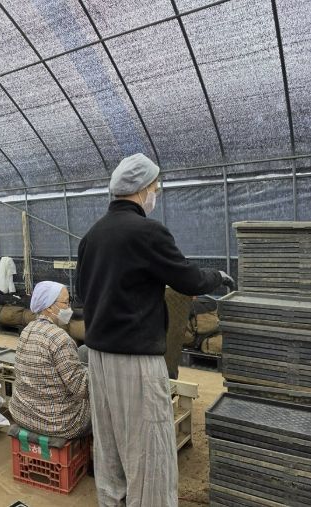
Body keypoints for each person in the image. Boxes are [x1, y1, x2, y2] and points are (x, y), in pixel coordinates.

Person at [76, 153, 234, 507]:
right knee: (149, 450)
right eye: (155, 187)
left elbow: (83, 293)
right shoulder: (147, 232)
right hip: (134, 359)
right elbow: (188, 279)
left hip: (98, 358)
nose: (156, 193)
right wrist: (218, 276)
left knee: (110, 446)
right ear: (141, 189)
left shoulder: (92, 236)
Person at [9, 281, 90, 439]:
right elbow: (83, 389)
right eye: (65, 303)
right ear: (49, 307)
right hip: (59, 424)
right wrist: (100, 372)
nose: (69, 308)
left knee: (82, 351)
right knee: (101, 400)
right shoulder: (60, 338)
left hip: (22, 414)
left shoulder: (27, 330)